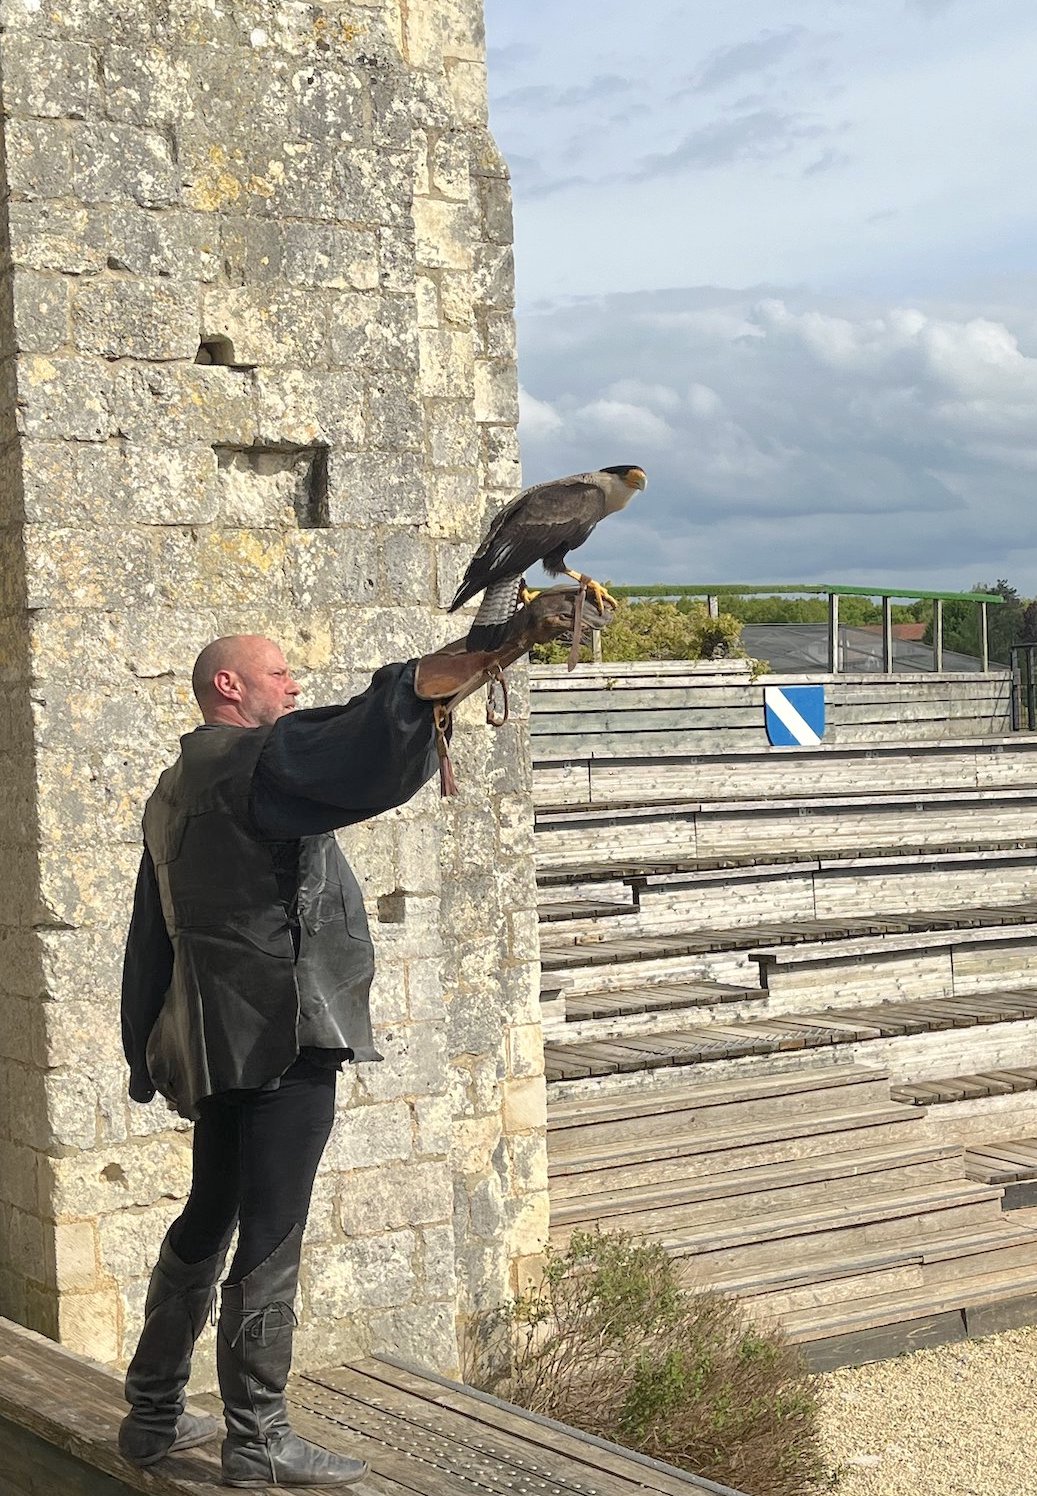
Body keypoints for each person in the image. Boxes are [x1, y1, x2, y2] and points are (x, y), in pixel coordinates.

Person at [116, 592, 587, 1488]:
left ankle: (150, 1413)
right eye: (277, 674)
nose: (292, 686)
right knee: (271, 1233)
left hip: (212, 1041)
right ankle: (256, 1440)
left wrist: (144, 1046)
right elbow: (359, 748)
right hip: (281, 1039)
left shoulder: (175, 786)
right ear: (229, 686)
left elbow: (150, 933)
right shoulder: (258, 763)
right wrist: (448, 668)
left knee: (209, 1212)